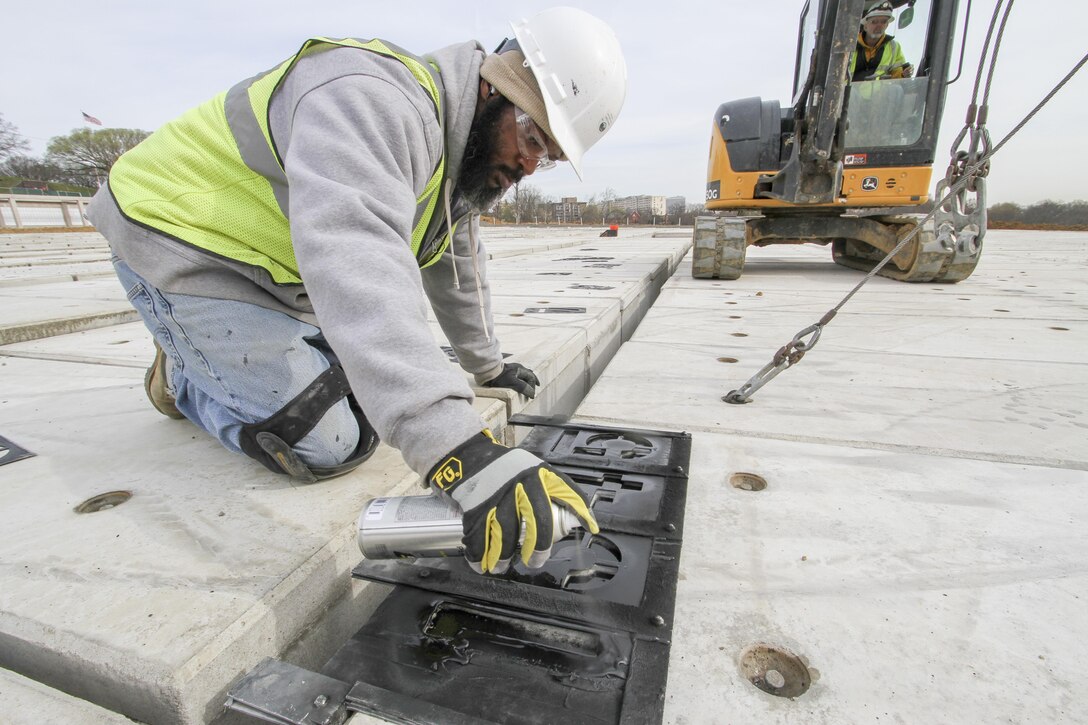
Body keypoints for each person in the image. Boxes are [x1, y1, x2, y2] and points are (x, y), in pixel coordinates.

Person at [86, 7, 628, 576]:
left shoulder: (456, 162)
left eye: (550, 156)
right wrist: (456, 453)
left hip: (276, 279)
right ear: (495, 88)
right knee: (324, 441)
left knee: (377, 401)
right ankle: (183, 376)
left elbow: (458, 267)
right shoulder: (369, 97)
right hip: (182, 249)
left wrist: (487, 367)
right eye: (534, 137)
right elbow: (355, 255)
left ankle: (229, 356)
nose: (530, 163)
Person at [850, 2, 913, 82]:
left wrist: (904, 74)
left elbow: (897, 77)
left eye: (883, 22)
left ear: (887, 25)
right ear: (865, 26)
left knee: (897, 90)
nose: (879, 26)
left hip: (880, 94)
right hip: (848, 93)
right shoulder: (848, 45)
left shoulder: (894, 47)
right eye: (874, 22)